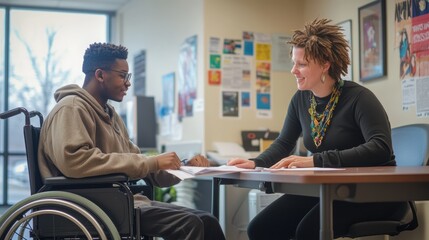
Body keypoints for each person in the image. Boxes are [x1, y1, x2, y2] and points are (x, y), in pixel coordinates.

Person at [228, 18, 409, 240]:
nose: (294, 70)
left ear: (325, 65)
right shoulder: (301, 100)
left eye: (302, 64)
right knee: (260, 228)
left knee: (308, 232)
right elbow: (284, 143)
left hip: (374, 193)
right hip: (331, 189)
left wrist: (315, 160)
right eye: (294, 63)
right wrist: (256, 162)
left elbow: (380, 147)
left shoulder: (359, 98)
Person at [38, 42, 226, 240]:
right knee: (190, 225)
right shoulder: (71, 108)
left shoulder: (110, 115)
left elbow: (141, 163)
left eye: (128, 76)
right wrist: (150, 162)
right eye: (122, 75)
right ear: (100, 75)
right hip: (90, 205)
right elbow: (75, 162)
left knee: (207, 221)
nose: (128, 83)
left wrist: (185, 166)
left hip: (118, 202)